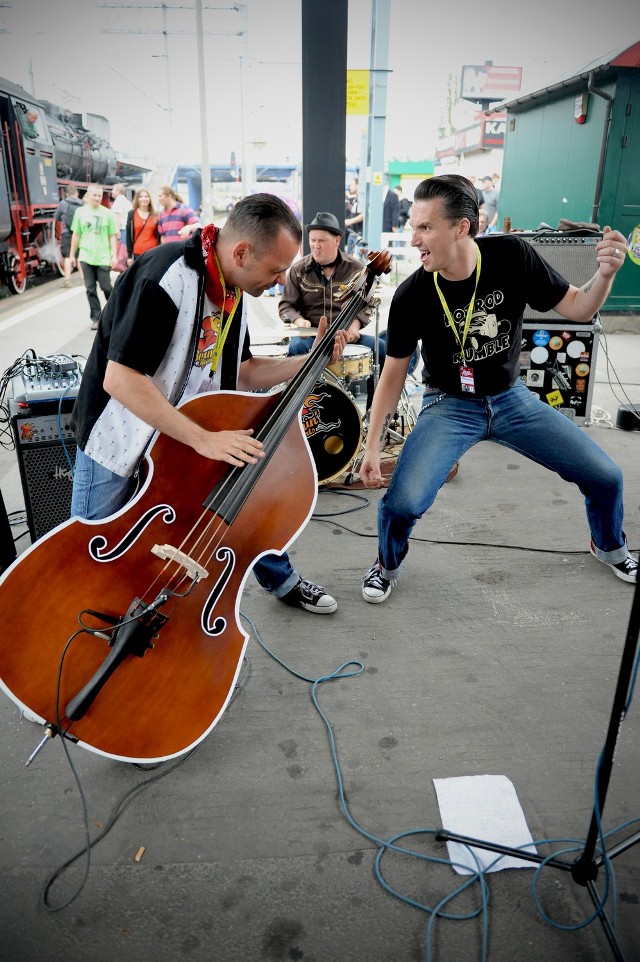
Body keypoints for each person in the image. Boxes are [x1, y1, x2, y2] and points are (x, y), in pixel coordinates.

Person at [359, 174, 637, 603]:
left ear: (461, 227)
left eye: (424, 227)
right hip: (449, 405)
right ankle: (387, 564)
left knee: (606, 476)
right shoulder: (412, 293)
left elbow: (580, 308)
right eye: (413, 227)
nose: (413, 239)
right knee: (402, 504)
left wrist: (605, 274)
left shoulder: (512, 256)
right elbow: (393, 373)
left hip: (512, 400)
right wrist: (373, 445)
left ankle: (609, 546)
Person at [69, 193, 343, 615]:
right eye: (275, 270)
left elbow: (245, 369)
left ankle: (278, 579)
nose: (279, 281)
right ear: (241, 252)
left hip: (180, 436)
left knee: (234, 511)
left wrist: (308, 359)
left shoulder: (234, 289)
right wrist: (203, 439)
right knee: (92, 554)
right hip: (117, 440)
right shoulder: (165, 276)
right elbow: (121, 379)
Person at [278, 211, 386, 407]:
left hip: (345, 332)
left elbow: (367, 304)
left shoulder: (356, 268)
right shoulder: (298, 269)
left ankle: (374, 410)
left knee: (381, 348)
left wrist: (355, 326)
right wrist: (297, 321)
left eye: (322, 241)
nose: (315, 245)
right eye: (312, 240)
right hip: (311, 336)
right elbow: (286, 305)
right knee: (295, 348)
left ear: (337, 241)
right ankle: (300, 408)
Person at [69, 183, 118, 331]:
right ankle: (96, 318)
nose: (97, 198)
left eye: (99, 195)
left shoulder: (107, 213)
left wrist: (114, 254)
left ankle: (114, 312)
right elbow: (76, 235)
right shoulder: (80, 212)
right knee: (90, 288)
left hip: (103, 256)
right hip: (86, 256)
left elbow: (112, 236)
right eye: (94, 195)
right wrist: (72, 255)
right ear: (89, 195)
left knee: (106, 286)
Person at [54, 184, 83, 286]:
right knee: (79, 256)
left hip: (66, 233)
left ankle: (67, 280)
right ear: (77, 193)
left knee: (66, 256)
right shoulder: (81, 204)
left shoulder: (63, 203)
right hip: (79, 232)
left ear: (67, 194)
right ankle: (82, 279)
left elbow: (57, 217)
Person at [125, 188, 160, 264]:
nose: (144, 199)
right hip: (137, 253)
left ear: (150, 199)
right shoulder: (132, 214)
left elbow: (159, 235)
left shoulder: (155, 214)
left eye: (146, 196)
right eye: (141, 196)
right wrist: (129, 256)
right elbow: (128, 235)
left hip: (153, 252)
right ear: (137, 199)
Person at [345, 178, 364, 255]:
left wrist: (350, 221)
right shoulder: (356, 199)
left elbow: (364, 214)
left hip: (358, 234)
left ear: (357, 185)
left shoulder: (362, 199)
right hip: (352, 232)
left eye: (351, 185)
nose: (350, 187)